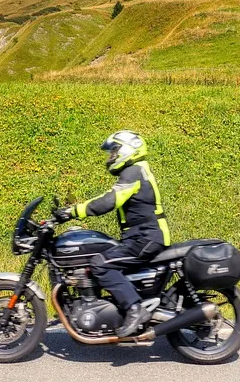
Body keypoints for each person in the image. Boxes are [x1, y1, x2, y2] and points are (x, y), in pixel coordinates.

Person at [54, 130, 171, 338]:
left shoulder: (134, 171)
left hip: (146, 238)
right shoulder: (137, 171)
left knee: (100, 263)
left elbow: (109, 201)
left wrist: (73, 211)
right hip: (142, 237)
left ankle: (135, 310)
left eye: (115, 151)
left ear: (128, 149)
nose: (112, 157)